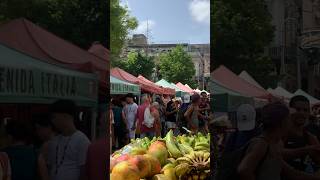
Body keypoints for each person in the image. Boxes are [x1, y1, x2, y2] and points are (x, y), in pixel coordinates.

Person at [238, 102, 320, 180]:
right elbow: (244, 170)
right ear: (282, 123)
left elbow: (292, 173)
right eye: (289, 118)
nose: (291, 122)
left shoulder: (273, 145)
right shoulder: (261, 144)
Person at [47, 100, 91, 180]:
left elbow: (84, 170)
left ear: (65, 116)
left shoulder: (82, 140)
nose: (52, 121)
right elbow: (51, 165)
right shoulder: (54, 140)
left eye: (54, 117)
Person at [282, 95, 320, 174]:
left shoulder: (310, 137)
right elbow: (276, 154)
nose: (301, 113)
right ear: (290, 110)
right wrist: (306, 150)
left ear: (309, 112)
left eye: (305, 110)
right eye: (297, 109)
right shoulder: (280, 134)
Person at [33, 113, 56, 180]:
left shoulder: (47, 145)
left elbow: (42, 168)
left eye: (39, 129)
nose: (38, 132)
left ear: (49, 127)